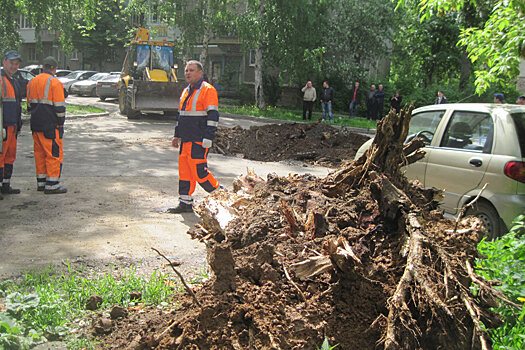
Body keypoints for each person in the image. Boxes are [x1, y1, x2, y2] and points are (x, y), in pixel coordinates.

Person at [169, 60, 222, 213]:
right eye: (186, 70)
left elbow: (213, 115)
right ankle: (185, 203)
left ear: (200, 73)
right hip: (186, 140)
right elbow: (182, 116)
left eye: (191, 70)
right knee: (185, 173)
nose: (188, 73)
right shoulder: (186, 91)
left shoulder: (208, 90)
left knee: (200, 172)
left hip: (199, 140)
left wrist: (209, 137)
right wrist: (176, 135)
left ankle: (221, 195)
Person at [27, 56, 67, 194]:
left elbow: (28, 105)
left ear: (43, 66)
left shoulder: (31, 82)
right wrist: (61, 124)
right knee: (53, 154)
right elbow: (60, 108)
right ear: (54, 68)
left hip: (35, 124)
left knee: (40, 154)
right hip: (51, 125)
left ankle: (41, 182)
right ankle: (52, 185)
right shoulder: (55, 82)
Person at [1, 50, 23, 199]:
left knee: (10, 156)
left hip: (12, 127)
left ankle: (5, 185)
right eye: (11, 63)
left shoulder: (13, 81)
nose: (14, 66)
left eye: (16, 64)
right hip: (3, 126)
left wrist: (18, 125)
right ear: (4, 62)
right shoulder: (1, 80)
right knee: (1, 157)